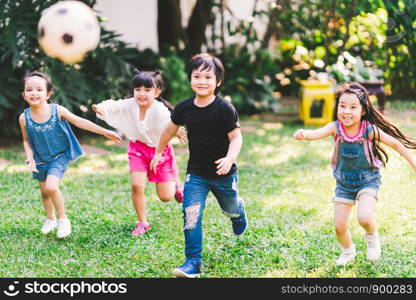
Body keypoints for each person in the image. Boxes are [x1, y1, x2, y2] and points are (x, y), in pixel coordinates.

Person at [293, 82, 416, 266]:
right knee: (339, 226)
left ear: (363, 110)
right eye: (342, 106)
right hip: (343, 184)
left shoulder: (368, 130)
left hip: (368, 181)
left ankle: (372, 238)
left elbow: (396, 144)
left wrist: (413, 163)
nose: (346, 111)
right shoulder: (335, 127)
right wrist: (304, 134)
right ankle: (348, 251)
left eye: (353, 107)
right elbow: (316, 133)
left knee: (364, 217)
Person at [150, 53, 247, 278]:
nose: (201, 81)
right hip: (196, 174)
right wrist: (158, 152)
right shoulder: (184, 108)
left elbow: (236, 138)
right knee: (190, 214)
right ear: (190, 79)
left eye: (207, 76)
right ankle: (192, 262)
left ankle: (238, 212)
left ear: (218, 81)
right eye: (196, 76)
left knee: (230, 208)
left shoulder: (225, 109)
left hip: (224, 174)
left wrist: (230, 158)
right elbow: (168, 130)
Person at [19, 71, 122, 238]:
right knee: (45, 192)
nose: (34, 93)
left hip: (58, 156)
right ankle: (50, 219)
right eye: (29, 89)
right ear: (24, 95)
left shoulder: (57, 110)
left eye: (39, 89)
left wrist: (105, 132)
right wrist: (30, 158)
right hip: (39, 159)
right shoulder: (24, 118)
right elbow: (26, 140)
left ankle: (63, 219)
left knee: (52, 187)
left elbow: (80, 121)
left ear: (48, 94)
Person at [92, 70, 185, 236]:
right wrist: (101, 108)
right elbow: (115, 105)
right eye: (138, 89)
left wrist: (176, 130)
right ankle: (143, 222)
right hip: (138, 149)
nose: (141, 94)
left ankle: (176, 183)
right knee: (137, 185)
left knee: (165, 197)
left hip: (159, 150)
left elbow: (169, 121)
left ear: (157, 92)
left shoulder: (159, 109)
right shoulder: (130, 104)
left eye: (147, 90)